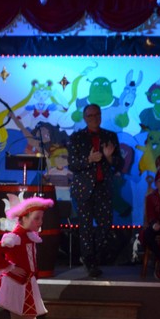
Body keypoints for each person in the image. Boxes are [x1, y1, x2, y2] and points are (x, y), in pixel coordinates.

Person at [67, 103, 122, 279]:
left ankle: (92, 257)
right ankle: (90, 262)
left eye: (97, 114)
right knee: (85, 227)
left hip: (103, 188)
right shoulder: (76, 137)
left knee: (105, 226)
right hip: (84, 189)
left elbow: (120, 164)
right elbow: (72, 164)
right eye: (90, 116)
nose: (94, 118)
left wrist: (109, 157)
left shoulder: (110, 136)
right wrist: (89, 159)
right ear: (85, 118)